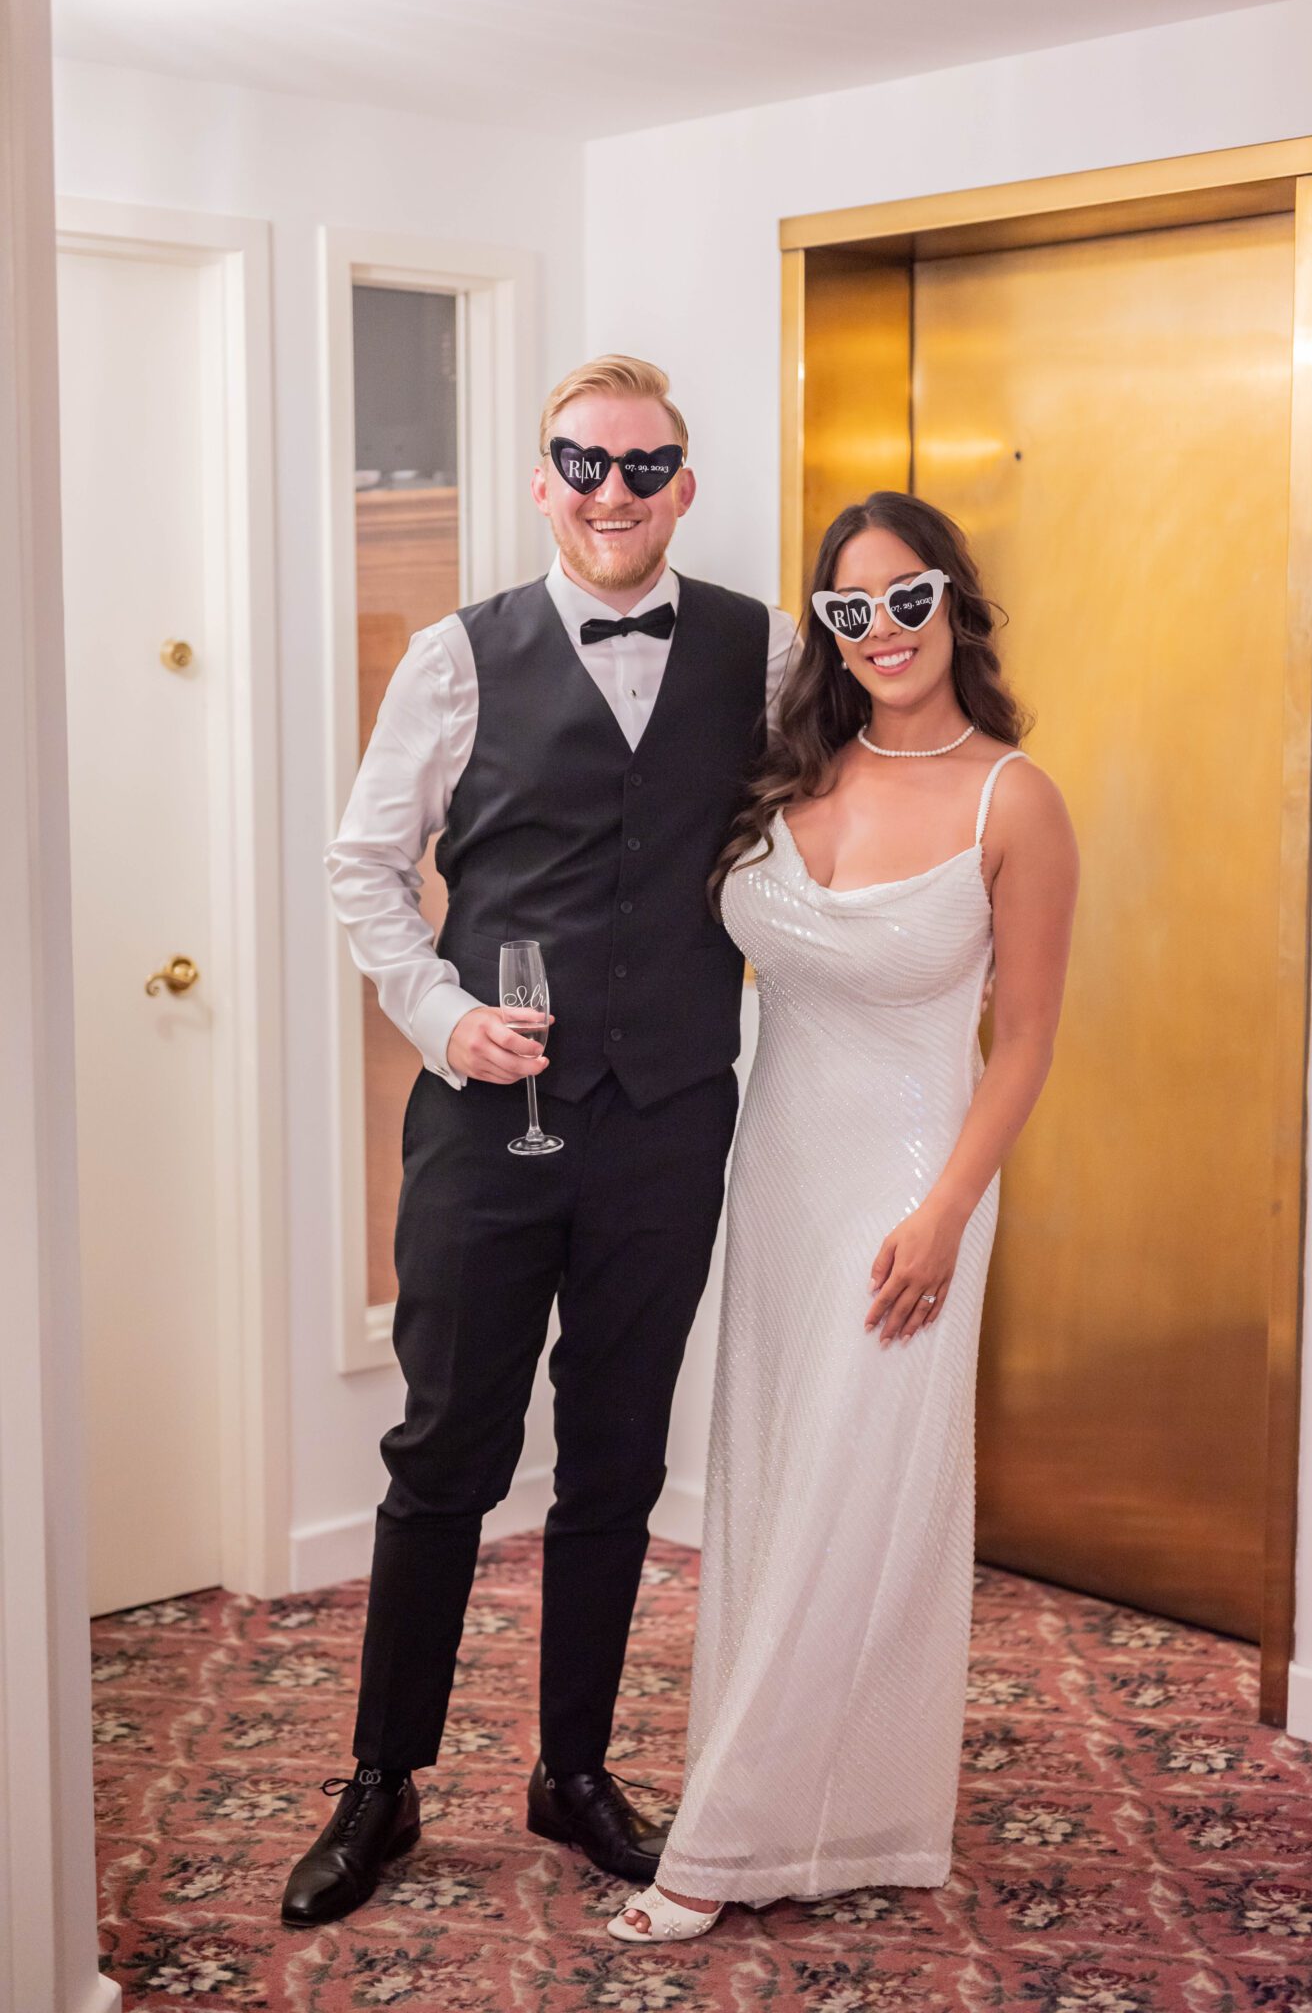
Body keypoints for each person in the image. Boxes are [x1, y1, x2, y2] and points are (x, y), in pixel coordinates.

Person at [285, 356, 796, 1927]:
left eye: (644, 469)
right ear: (541, 479)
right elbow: (365, 866)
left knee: (620, 1457)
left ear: (684, 488)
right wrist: (444, 1018)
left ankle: (571, 1771)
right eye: (583, 463)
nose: (612, 493)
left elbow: (816, 829)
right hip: (485, 1121)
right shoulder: (456, 656)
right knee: (447, 1453)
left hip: (668, 1122)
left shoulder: (760, 653)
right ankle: (383, 1782)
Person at [607, 491, 1079, 1942]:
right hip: (782, 1175)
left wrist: (946, 1211)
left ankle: (720, 1849)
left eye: (908, 598)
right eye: (850, 609)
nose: (882, 631)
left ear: (957, 603)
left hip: (909, 1184)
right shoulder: (786, 775)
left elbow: (1027, 1042)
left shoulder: (1017, 798)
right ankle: (847, 1808)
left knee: (857, 1492)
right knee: (779, 1486)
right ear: (827, 630)